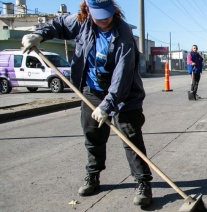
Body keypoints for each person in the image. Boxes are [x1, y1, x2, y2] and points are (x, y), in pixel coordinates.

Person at [21, 0, 153, 207]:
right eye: (99, 15)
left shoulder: (123, 32)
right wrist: (39, 34)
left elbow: (123, 73)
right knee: (93, 134)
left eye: (107, 13)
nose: (104, 19)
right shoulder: (81, 22)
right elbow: (58, 25)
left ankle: (143, 182)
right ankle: (93, 176)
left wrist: (107, 106)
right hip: (92, 90)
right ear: (88, 10)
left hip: (125, 94)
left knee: (131, 137)